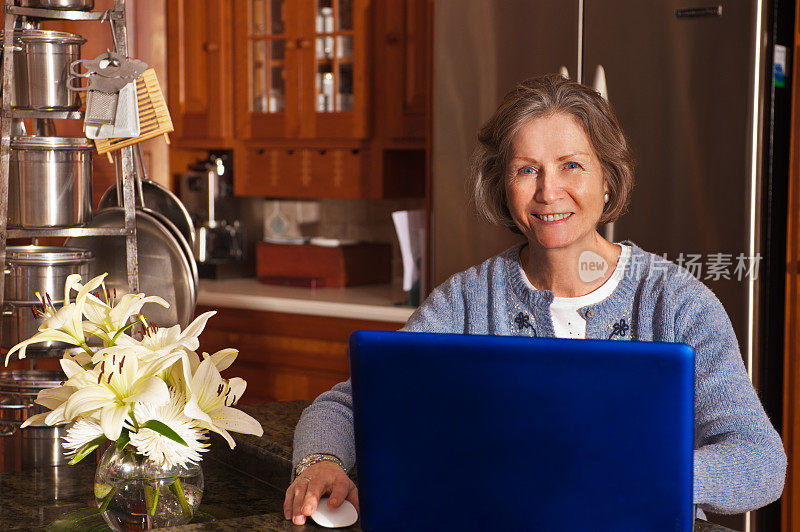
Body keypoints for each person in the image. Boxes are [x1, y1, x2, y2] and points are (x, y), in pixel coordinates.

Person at [283, 74, 787, 525]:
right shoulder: (466, 298)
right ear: (503, 188)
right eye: (527, 170)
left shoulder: (676, 302)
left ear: (608, 179)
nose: (549, 192)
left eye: (572, 166)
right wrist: (320, 462)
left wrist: (649, 471)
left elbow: (762, 460)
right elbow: (348, 404)